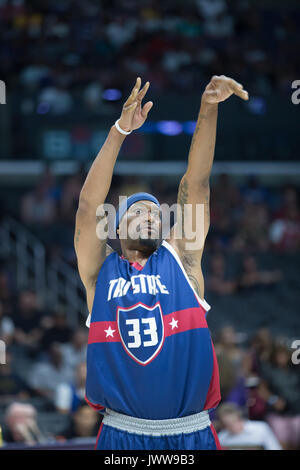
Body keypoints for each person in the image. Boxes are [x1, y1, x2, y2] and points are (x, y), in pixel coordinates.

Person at [74, 75, 249, 450]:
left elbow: (197, 183)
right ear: (116, 227)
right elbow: (88, 206)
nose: (152, 216)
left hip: (191, 431)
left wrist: (208, 108)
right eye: (139, 211)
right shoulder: (99, 274)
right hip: (122, 433)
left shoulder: (181, 259)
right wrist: (121, 130)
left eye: (157, 212)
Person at [217, 403, 282, 450]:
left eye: (234, 422)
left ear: (240, 418)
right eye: (227, 425)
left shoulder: (261, 429)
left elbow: (274, 448)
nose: (232, 427)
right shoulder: (221, 438)